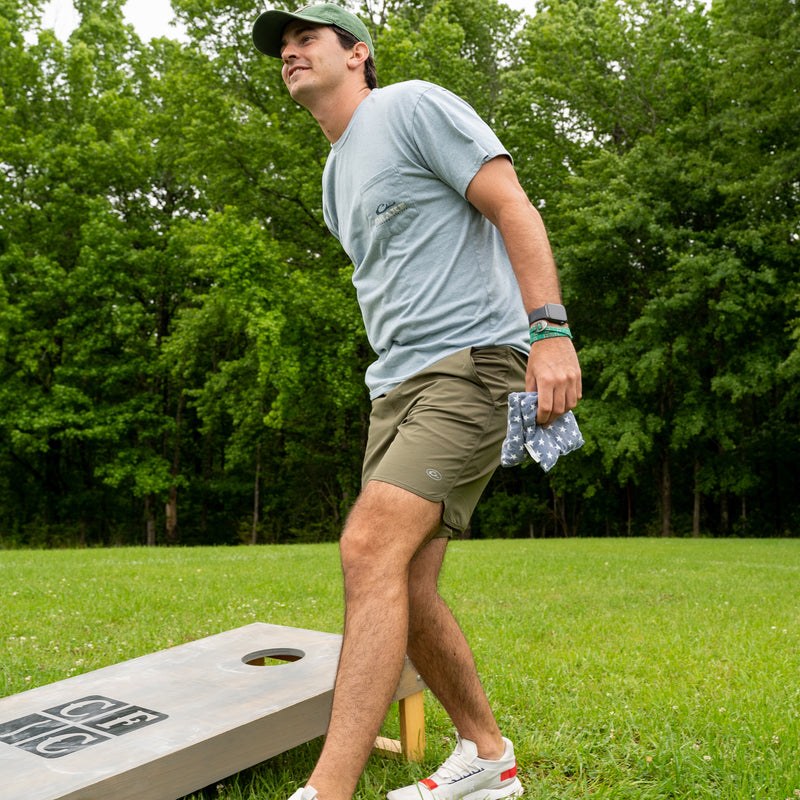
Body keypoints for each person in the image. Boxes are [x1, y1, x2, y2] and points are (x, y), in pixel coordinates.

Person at [251, 5, 582, 800]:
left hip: (473, 364)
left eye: (308, 39)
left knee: (367, 548)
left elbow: (512, 205)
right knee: (408, 582)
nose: (291, 52)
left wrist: (551, 332)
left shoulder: (410, 106)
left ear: (357, 54)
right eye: (282, 47)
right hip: (395, 387)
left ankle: (326, 791)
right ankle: (488, 755)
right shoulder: (334, 176)